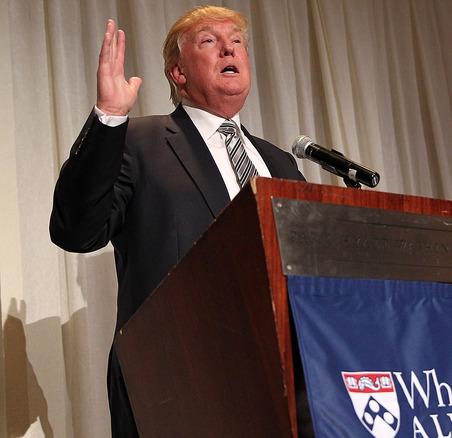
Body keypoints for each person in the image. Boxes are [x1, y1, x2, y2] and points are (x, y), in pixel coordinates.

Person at [49, 6, 305, 437]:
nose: (229, 47)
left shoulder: (279, 162)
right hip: (175, 378)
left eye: (237, 41)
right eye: (209, 41)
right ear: (178, 73)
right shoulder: (138, 142)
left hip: (283, 375)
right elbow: (77, 231)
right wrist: (109, 117)